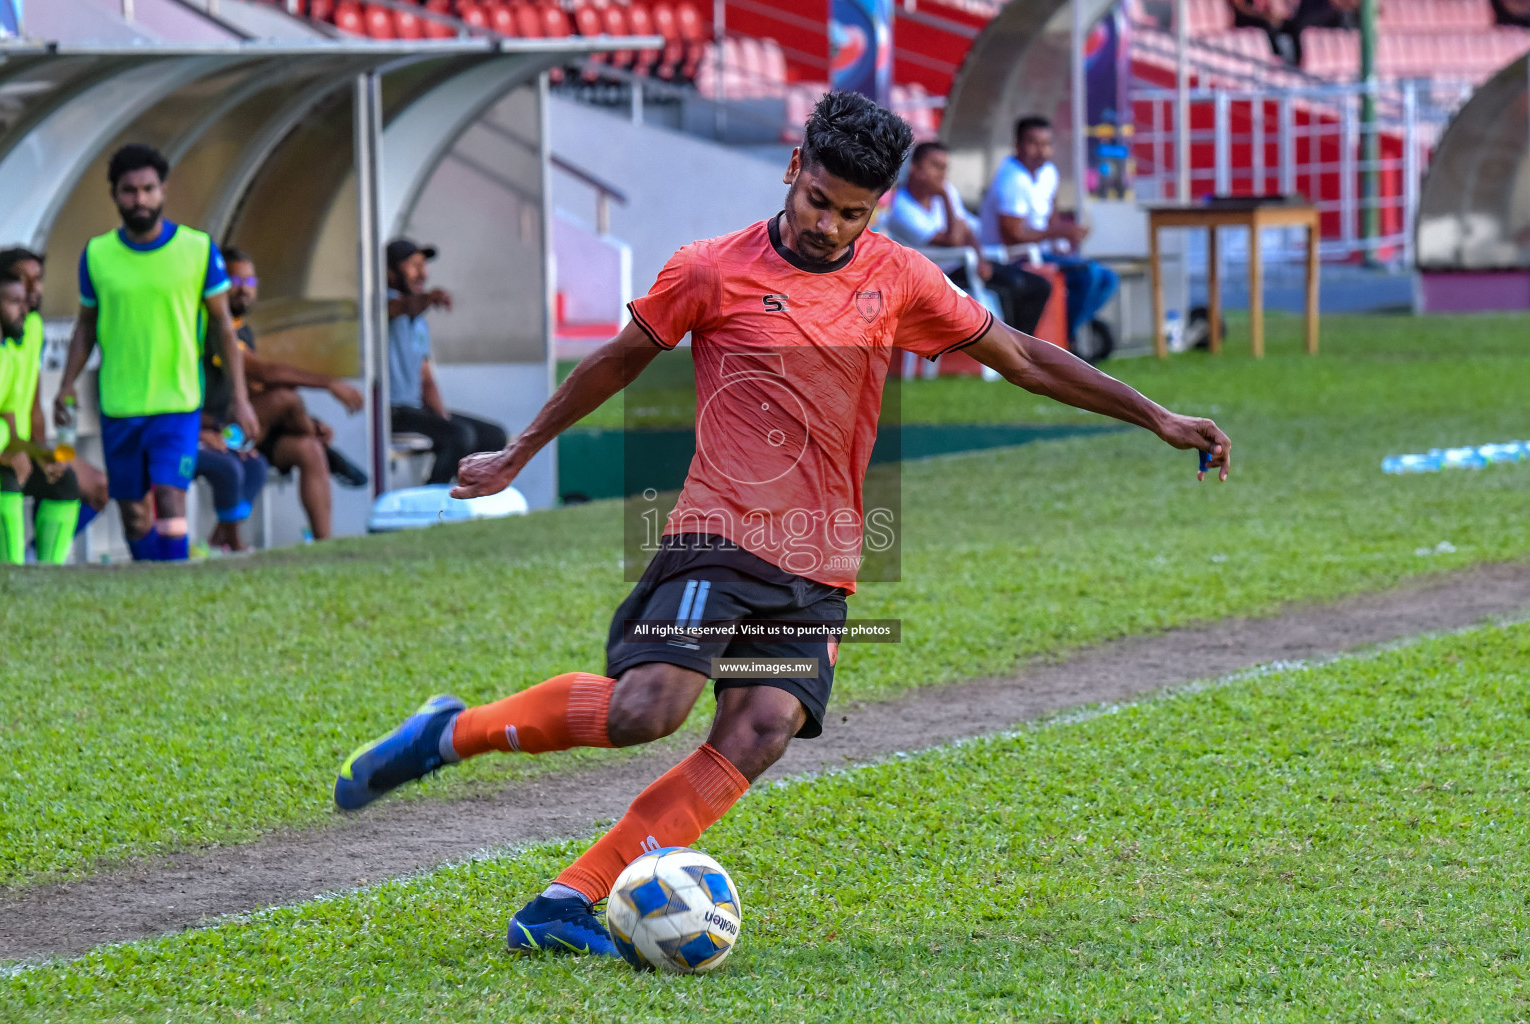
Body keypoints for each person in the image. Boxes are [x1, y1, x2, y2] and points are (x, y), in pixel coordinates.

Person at [333, 91, 1231, 959]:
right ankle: (453, 730)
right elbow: (615, 362)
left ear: (876, 208)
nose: (828, 226)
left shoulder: (903, 279)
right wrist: (518, 451)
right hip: (717, 539)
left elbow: (1024, 357)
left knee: (760, 728)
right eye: (816, 201)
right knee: (649, 709)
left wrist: (1155, 415)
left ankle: (569, 899)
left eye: (851, 213)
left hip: (822, 565)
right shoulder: (709, 270)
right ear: (793, 167)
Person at [54, 143, 258, 564]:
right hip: (120, 402)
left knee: (169, 497)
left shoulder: (198, 250)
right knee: (133, 512)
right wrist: (65, 384)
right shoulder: (97, 255)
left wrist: (240, 398)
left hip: (178, 401)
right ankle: (152, 579)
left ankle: (174, 581)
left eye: (148, 189)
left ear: (163, 190)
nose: (140, 199)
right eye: (129, 190)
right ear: (114, 195)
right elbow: (86, 326)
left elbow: (223, 326)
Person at [202, 247, 366, 544]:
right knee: (284, 398)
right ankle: (221, 541)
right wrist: (330, 383)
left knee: (308, 449)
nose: (243, 290)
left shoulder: (241, 329)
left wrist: (308, 421)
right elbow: (265, 374)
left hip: (247, 432)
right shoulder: (212, 327)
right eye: (235, 281)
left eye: (250, 283)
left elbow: (254, 388)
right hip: (212, 431)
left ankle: (323, 546)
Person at [0, 248, 105, 565]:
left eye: (35, 281)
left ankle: (43, 569)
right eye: (19, 283)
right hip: (0, 450)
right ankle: (10, 570)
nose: (30, 292)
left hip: (9, 443)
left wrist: (39, 454)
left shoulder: (27, 332)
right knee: (7, 474)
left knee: (68, 479)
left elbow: (18, 412)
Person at [979, 116, 1119, 350]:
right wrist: (1058, 232)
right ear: (1018, 144)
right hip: (1013, 257)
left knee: (1108, 279)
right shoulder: (1011, 179)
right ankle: (1063, 342)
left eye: (1046, 144)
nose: (1041, 151)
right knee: (1090, 275)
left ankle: (1065, 333)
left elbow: (1051, 216)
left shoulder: (1048, 173)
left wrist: (1064, 234)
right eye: (1034, 143)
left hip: (1041, 251)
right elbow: (1012, 237)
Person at [884, 141, 1051, 335]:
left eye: (945, 168)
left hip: (964, 266)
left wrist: (980, 260)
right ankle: (1011, 353)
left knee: (1039, 285)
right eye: (936, 166)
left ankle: (1024, 348)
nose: (942, 174)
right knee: (1011, 289)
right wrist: (945, 197)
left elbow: (967, 231)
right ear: (916, 169)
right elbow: (953, 240)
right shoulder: (902, 208)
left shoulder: (945, 191)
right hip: (936, 276)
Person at [386, 238, 507, 484]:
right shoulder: (380, 304)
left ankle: (466, 503)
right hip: (390, 411)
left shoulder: (419, 322)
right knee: (459, 436)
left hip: (415, 410)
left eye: (423, 265)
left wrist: (441, 418)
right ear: (389, 271)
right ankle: (434, 504)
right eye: (412, 265)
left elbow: (425, 378)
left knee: (493, 437)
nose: (421, 272)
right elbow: (403, 306)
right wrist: (430, 299)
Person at [0, 270, 31, 554]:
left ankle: (15, 571)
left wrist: (26, 455)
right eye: (13, 302)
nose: (24, 310)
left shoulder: (6, 356)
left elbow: (8, 419)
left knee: (64, 481)